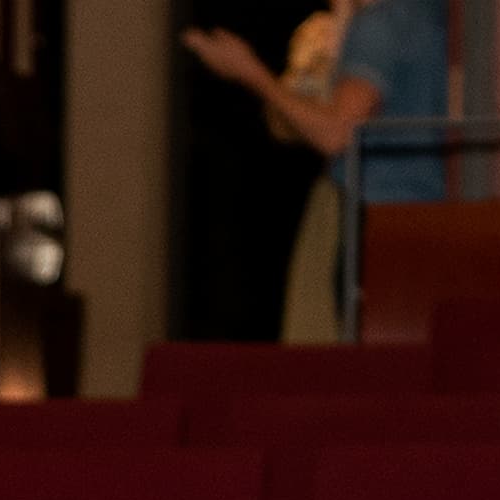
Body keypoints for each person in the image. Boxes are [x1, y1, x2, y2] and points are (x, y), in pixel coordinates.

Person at [182, 0, 447, 343]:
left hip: (376, 213)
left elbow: (336, 134)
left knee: (356, 356)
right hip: (412, 215)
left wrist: (250, 72)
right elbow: (285, 125)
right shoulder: (420, 15)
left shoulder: (380, 25)